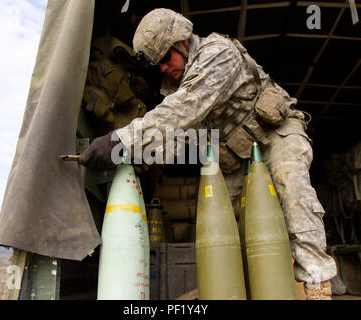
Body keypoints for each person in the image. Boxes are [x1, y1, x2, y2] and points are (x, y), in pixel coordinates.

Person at [79, 8, 337, 299]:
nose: (162, 68)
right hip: (235, 155)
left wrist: (119, 139)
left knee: (293, 188)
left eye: (166, 58)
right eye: (157, 64)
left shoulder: (218, 53)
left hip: (275, 135)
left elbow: (183, 110)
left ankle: (317, 284)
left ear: (183, 43)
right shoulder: (177, 85)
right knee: (222, 228)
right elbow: (176, 136)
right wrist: (142, 160)